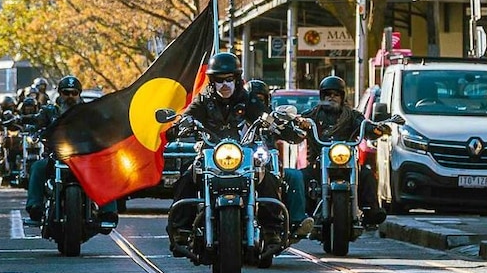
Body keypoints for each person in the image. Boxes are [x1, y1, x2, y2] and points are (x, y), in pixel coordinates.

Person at [165, 52, 287, 247]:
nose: (224, 85)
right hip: (210, 153)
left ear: (236, 79)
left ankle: (271, 229)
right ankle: (181, 228)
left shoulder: (247, 99)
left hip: (243, 153)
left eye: (229, 79)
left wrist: (276, 122)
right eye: (219, 80)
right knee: (188, 177)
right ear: (212, 81)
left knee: (267, 177)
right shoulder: (203, 99)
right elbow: (188, 115)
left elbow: (264, 115)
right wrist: (179, 124)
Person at [23, 75, 118, 227]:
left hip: (83, 157)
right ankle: (35, 208)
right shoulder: (50, 111)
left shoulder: (89, 112)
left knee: (104, 168)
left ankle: (108, 211)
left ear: (79, 94)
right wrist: (30, 126)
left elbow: (102, 124)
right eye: (66, 92)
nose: (70, 96)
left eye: (74, 93)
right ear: (60, 94)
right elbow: (36, 121)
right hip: (56, 156)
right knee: (37, 167)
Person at [297, 74, 389, 226]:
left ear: (342, 97)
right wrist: (299, 124)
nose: (332, 98)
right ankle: (300, 215)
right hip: (318, 162)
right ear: (322, 96)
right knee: (300, 177)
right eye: (328, 95)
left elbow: (365, 124)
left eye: (336, 95)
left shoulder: (352, 116)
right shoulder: (312, 115)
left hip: (346, 161)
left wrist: (376, 129)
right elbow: (298, 125)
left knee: (367, 174)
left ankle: (371, 210)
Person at [245, 79, 313, 239]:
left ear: (267, 100)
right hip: (241, 171)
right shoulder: (236, 119)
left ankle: (297, 221)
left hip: (269, 169)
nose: (256, 103)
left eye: (261, 99)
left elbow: (292, 135)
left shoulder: (271, 119)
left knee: (295, 176)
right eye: (252, 98)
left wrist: (297, 129)